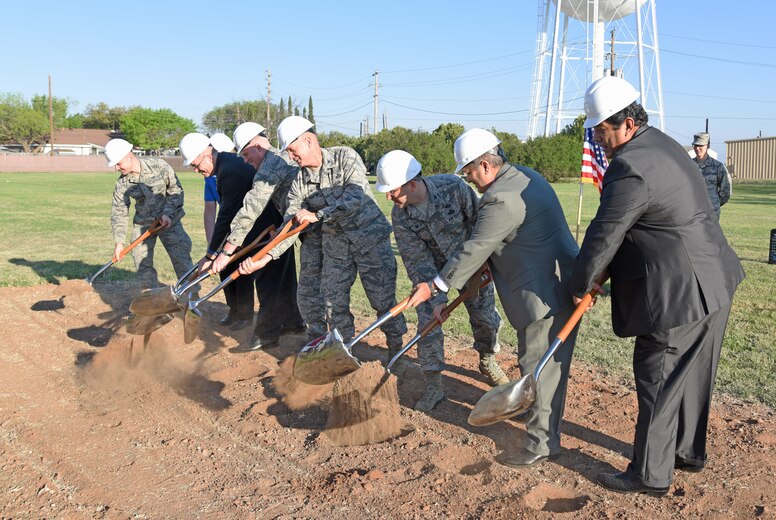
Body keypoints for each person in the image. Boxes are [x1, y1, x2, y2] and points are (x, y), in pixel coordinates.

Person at [570, 76, 745, 497]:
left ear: (627, 123)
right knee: (692, 374)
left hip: (678, 291)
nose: (599, 138)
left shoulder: (630, 164)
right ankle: (686, 453)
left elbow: (605, 232)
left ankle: (649, 473)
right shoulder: (663, 143)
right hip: (715, 279)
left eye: (602, 130)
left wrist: (581, 284)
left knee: (660, 376)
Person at [408, 129, 580, 467]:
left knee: (538, 370)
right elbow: (515, 239)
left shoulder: (499, 199)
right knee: (549, 370)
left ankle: (541, 444)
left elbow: (475, 248)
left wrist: (437, 285)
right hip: (560, 282)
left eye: (469, 171)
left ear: (486, 164)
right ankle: (546, 434)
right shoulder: (527, 176)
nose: (469, 180)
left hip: (540, 296)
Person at [242, 116, 407, 358]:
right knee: (332, 304)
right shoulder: (300, 179)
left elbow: (355, 196)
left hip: (370, 242)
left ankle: (396, 349)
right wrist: (265, 257)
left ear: (308, 140)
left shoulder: (344, 156)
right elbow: (292, 223)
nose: (291, 156)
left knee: (382, 301)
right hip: (336, 247)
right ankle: (344, 352)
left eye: (292, 149)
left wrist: (317, 215)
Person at [374, 150, 507, 412]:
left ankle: (487, 358)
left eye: (392, 191)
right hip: (433, 273)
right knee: (428, 322)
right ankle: (434, 383)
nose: (388, 197)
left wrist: (486, 262)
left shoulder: (453, 186)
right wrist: (435, 298)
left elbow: (480, 224)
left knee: (485, 319)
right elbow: (416, 259)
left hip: (471, 263)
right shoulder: (400, 214)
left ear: (412, 184)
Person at [182, 130, 306, 351]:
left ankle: (267, 334)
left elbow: (227, 215)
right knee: (282, 277)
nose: (196, 170)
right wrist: (215, 254)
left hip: (269, 226)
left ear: (206, 155)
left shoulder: (229, 171)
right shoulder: (227, 166)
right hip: (272, 224)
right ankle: (293, 323)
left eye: (195, 164)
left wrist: (215, 254)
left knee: (269, 280)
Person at [105, 138, 194, 291]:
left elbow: (176, 191)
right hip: (144, 225)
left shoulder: (159, 166)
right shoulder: (122, 184)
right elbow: (119, 212)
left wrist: (167, 214)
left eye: (118, 163)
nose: (117, 168)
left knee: (182, 259)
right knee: (142, 263)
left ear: (129, 156)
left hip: (170, 222)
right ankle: (151, 301)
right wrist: (119, 243)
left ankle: (192, 297)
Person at [201, 133, 233, 244]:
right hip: (227, 226)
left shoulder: (237, 173)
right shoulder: (209, 178)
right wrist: (211, 244)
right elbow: (209, 212)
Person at [692, 132, 731, 219]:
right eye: (695, 145)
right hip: (693, 211)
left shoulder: (718, 167)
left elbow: (726, 192)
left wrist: (715, 203)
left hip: (711, 212)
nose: (697, 148)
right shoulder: (688, 165)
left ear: (708, 146)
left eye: (701, 146)